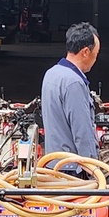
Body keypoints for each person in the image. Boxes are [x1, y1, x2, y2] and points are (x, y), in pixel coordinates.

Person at [41, 22, 101, 166]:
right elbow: (82, 132)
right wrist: (92, 169)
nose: (95, 59)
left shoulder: (51, 74)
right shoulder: (74, 82)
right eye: (96, 54)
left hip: (53, 164)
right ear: (86, 52)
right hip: (72, 170)